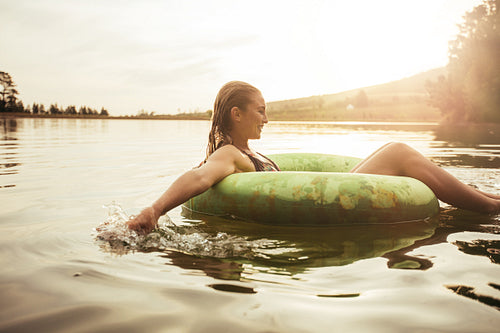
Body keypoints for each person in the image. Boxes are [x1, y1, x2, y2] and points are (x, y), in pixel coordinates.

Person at [127, 81, 500, 234]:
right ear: (236, 114)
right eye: (260, 110)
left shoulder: (246, 152)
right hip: (321, 206)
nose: (267, 117)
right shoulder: (228, 154)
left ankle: (489, 200)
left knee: (393, 152)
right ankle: (489, 209)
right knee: (398, 151)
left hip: (331, 193)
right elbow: (199, 177)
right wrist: (155, 210)